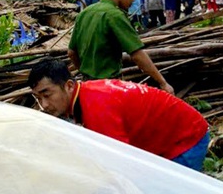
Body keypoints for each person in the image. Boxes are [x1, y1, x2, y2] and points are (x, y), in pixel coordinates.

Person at [28, 59, 208, 170]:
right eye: (38, 98)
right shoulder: (86, 96)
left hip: (186, 139)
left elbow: (121, 164)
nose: (44, 105)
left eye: (47, 95)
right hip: (169, 136)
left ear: (68, 85)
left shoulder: (97, 107)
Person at [68, 0, 174, 94]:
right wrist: (163, 82)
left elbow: (71, 52)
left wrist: (84, 71)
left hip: (86, 86)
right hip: (109, 88)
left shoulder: (85, 13)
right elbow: (137, 55)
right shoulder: (115, 15)